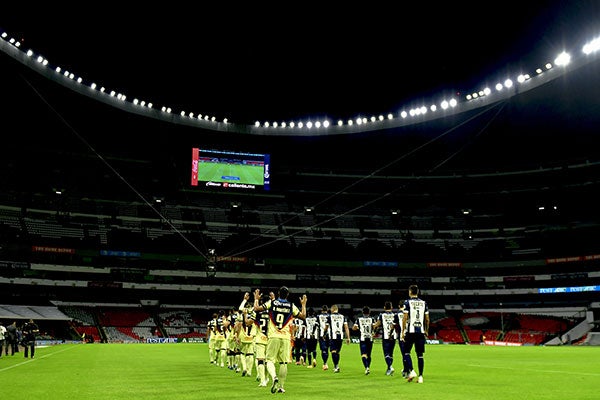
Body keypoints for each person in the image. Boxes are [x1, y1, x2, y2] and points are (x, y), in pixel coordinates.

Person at [254, 286, 307, 394]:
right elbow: (303, 316)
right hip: (286, 337)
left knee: (269, 360)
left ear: (278, 293)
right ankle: (281, 387)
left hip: (273, 336)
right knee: (283, 362)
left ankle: (274, 377)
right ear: (287, 295)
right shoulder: (291, 306)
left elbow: (256, 309)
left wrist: (256, 299)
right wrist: (303, 304)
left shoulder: (272, 303)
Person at [401, 284, 429, 384]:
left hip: (411, 331)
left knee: (406, 352)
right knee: (420, 355)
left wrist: (402, 332)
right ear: (417, 292)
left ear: (410, 292)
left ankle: (412, 371)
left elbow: (404, 318)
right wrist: (426, 330)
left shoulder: (407, 302)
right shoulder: (424, 303)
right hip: (420, 331)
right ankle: (421, 376)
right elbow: (427, 319)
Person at [373, 301, 397, 376]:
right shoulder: (395, 315)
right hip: (394, 336)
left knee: (386, 353)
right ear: (391, 307)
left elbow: (377, 325)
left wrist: (373, 325)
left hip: (386, 336)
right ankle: (389, 369)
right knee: (391, 353)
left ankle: (390, 366)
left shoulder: (381, 315)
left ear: (384, 307)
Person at [325, 304, 350, 373]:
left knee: (333, 351)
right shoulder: (342, 316)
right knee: (337, 352)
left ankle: (336, 366)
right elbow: (346, 327)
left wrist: (323, 334)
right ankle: (336, 366)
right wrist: (348, 337)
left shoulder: (330, 317)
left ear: (332, 309)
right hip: (340, 336)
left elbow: (326, 327)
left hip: (333, 336)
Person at [352, 306, 375, 375]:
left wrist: (358, 327)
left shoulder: (359, 319)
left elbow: (354, 328)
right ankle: (368, 367)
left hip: (363, 339)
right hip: (370, 338)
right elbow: (374, 326)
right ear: (369, 312)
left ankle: (366, 367)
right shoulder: (372, 319)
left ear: (362, 312)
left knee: (363, 354)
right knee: (369, 355)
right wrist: (373, 332)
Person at [317, 304, 331, 370]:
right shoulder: (330, 316)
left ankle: (325, 363)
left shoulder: (318, 316)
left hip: (322, 335)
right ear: (327, 310)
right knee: (327, 349)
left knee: (323, 350)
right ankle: (326, 363)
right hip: (330, 335)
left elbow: (316, 325)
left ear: (322, 310)